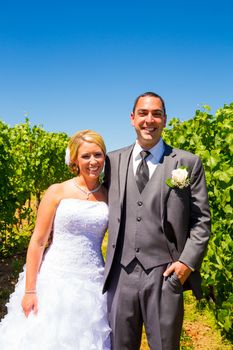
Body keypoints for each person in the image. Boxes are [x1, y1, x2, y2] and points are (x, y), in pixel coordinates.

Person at [103, 92, 211, 350]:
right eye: (143, 113)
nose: (149, 120)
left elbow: (201, 221)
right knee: (119, 345)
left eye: (156, 114)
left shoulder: (187, 163)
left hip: (165, 274)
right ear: (132, 118)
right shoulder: (112, 161)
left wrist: (186, 264)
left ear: (165, 120)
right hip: (121, 274)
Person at [0, 130, 111, 349]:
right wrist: (30, 290)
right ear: (75, 160)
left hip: (93, 282)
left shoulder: (109, 194)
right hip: (55, 279)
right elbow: (38, 241)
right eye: (85, 156)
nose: (93, 162)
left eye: (98, 155)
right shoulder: (57, 191)